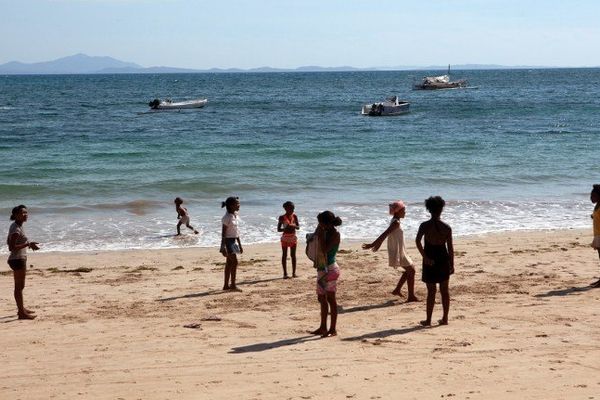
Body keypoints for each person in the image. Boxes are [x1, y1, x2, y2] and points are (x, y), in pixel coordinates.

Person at [362, 200, 418, 302]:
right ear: (398, 211)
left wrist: (376, 244)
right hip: (397, 251)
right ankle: (411, 296)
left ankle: (397, 290)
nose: (405, 212)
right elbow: (385, 233)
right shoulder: (396, 223)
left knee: (410, 270)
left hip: (400, 250)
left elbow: (386, 234)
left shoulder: (396, 221)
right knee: (411, 270)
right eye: (404, 210)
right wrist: (374, 244)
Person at [415, 196, 454, 326]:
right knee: (444, 290)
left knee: (431, 291)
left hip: (429, 258)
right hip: (443, 258)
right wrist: (452, 264)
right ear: (441, 209)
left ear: (429, 210)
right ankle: (445, 319)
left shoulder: (425, 226)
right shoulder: (447, 227)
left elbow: (417, 241)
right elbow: (450, 248)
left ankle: (428, 320)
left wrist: (425, 257)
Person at [310, 211, 342, 338]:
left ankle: (332, 329)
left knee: (331, 299)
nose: (319, 226)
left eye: (320, 223)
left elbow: (324, 249)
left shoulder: (335, 234)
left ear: (326, 223)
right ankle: (323, 327)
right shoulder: (325, 231)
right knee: (322, 299)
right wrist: (320, 229)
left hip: (330, 270)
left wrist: (321, 235)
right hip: (322, 269)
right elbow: (314, 237)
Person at [6, 205, 40, 320]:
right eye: (22, 213)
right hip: (17, 259)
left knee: (21, 286)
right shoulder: (16, 228)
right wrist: (28, 244)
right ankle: (21, 313)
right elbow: (11, 247)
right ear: (15, 215)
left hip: (19, 258)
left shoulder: (18, 226)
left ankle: (22, 309)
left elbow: (9, 242)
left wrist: (29, 244)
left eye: (26, 213)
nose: (25, 215)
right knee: (18, 287)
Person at [220, 196, 243, 291]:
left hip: (234, 241)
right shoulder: (226, 217)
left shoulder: (235, 215)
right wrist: (223, 246)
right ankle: (232, 285)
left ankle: (226, 285)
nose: (239, 205)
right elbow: (223, 233)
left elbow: (236, 231)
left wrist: (240, 244)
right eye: (237, 204)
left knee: (229, 263)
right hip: (228, 242)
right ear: (231, 205)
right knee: (234, 262)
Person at [277, 201, 299, 279]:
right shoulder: (282, 217)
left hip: (293, 237)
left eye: (293, 208)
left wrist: (293, 226)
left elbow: (298, 227)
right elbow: (279, 229)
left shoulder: (295, 216)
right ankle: (285, 274)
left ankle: (294, 273)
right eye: (290, 208)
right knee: (284, 255)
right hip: (285, 238)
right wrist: (285, 228)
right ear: (285, 209)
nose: (292, 210)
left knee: (293, 255)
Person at [590, 185, 600, 287]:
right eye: (591, 195)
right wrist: (593, 216)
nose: (591, 198)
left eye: (593, 196)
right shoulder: (597, 205)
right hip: (597, 234)